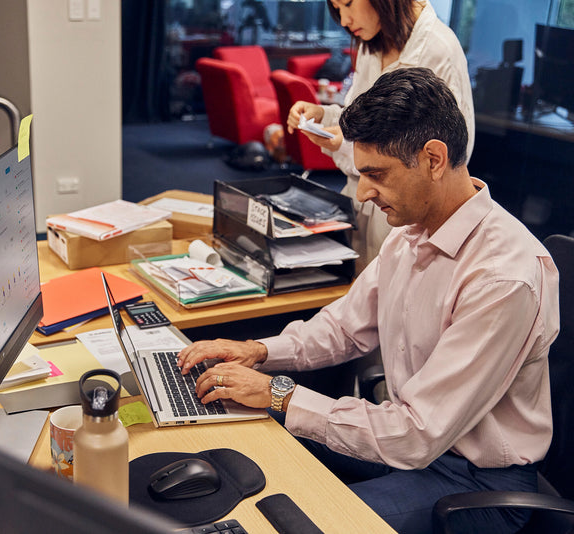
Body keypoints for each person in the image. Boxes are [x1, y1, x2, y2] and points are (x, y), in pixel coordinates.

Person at [178, 68, 559, 534]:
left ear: (434, 159)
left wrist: (279, 393)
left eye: (377, 175)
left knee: (298, 522)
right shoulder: (413, 231)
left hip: (473, 481)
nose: (362, 194)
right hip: (414, 448)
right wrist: (257, 351)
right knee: (242, 438)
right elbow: (343, 328)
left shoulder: (502, 277)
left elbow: (415, 433)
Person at [287, 0, 474, 269]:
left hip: (405, 215)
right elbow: (363, 117)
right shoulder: (373, 41)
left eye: (348, 4)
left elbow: (452, 151)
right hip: (363, 208)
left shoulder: (439, 49)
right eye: (337, 10)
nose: (344, 20)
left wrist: (345, 145)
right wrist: (324, 115)